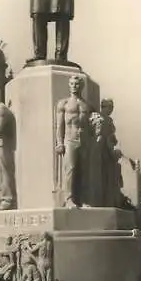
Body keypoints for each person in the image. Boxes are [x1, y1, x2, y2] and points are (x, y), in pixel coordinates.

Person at [55, 75, 91, 207]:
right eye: (72, 84)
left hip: (83, 139)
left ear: (81, 86)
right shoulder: (64, 103)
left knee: (82, 171)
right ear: (69, 85)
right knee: (70, 168)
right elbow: (59, 125)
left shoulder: (86, 105)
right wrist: (59, 142)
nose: (74, 86)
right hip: (70, 138)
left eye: (77, 84)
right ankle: (68, 198)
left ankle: (82, 199)